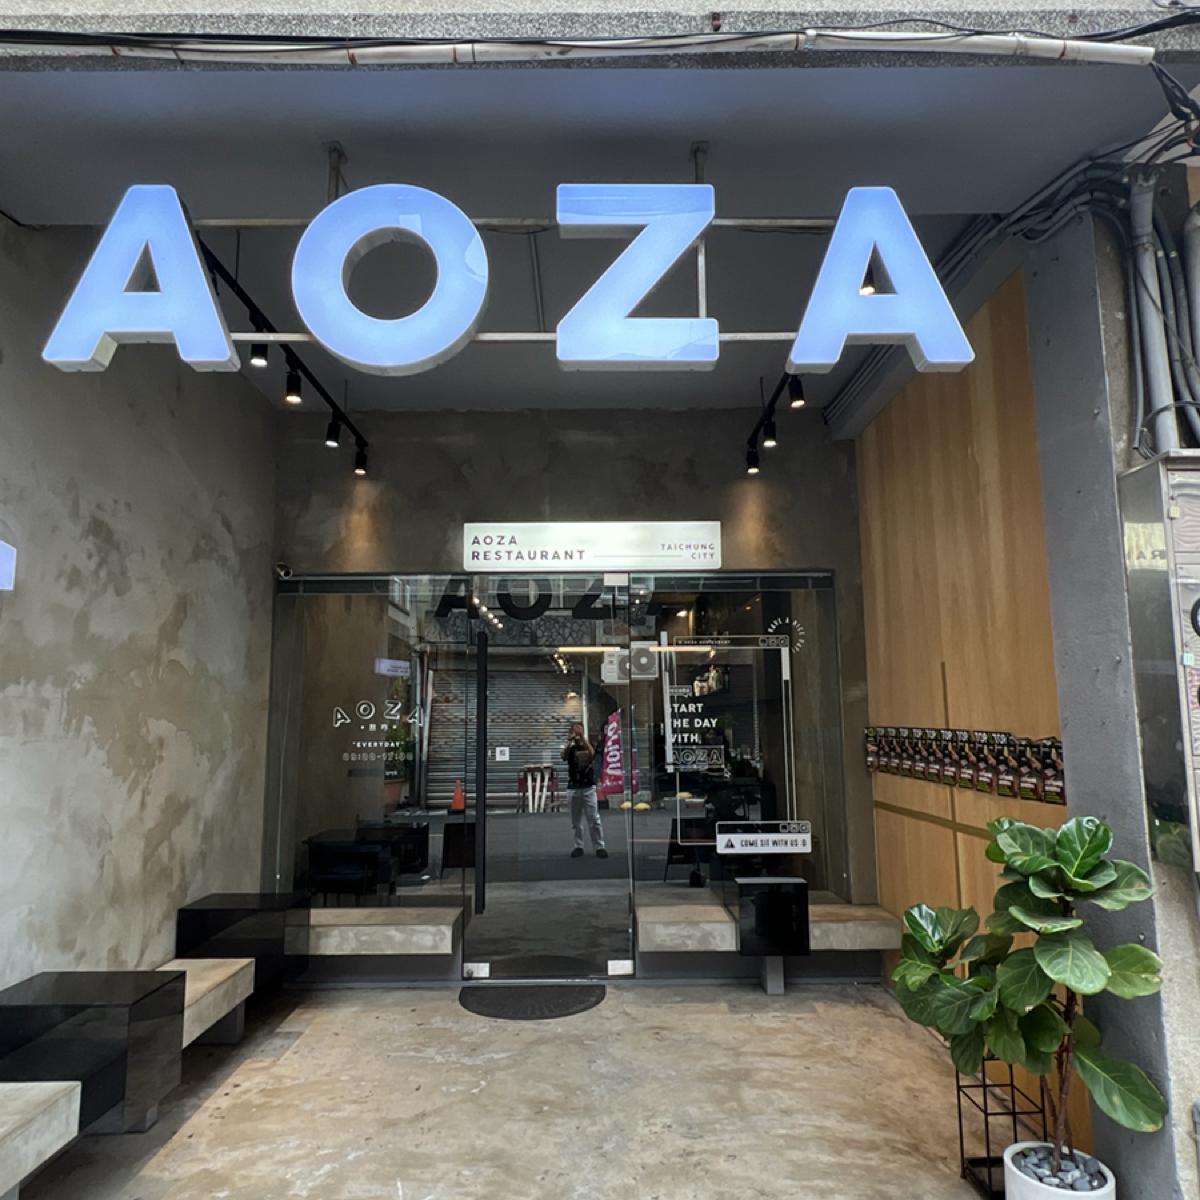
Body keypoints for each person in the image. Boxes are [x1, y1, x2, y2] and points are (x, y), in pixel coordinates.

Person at [561, 721, 607, 859]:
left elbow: (592, 754)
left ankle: (599, 846)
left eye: (579, 729)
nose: (577, 731)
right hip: (573, 787)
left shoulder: (588, 744)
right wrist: (570, 741)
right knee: (575, 822)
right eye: (575, 729)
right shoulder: (570, 746)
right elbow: (563, 756)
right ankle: (578, 846)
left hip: (588, 787)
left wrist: (582, 738)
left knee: (594, 819)